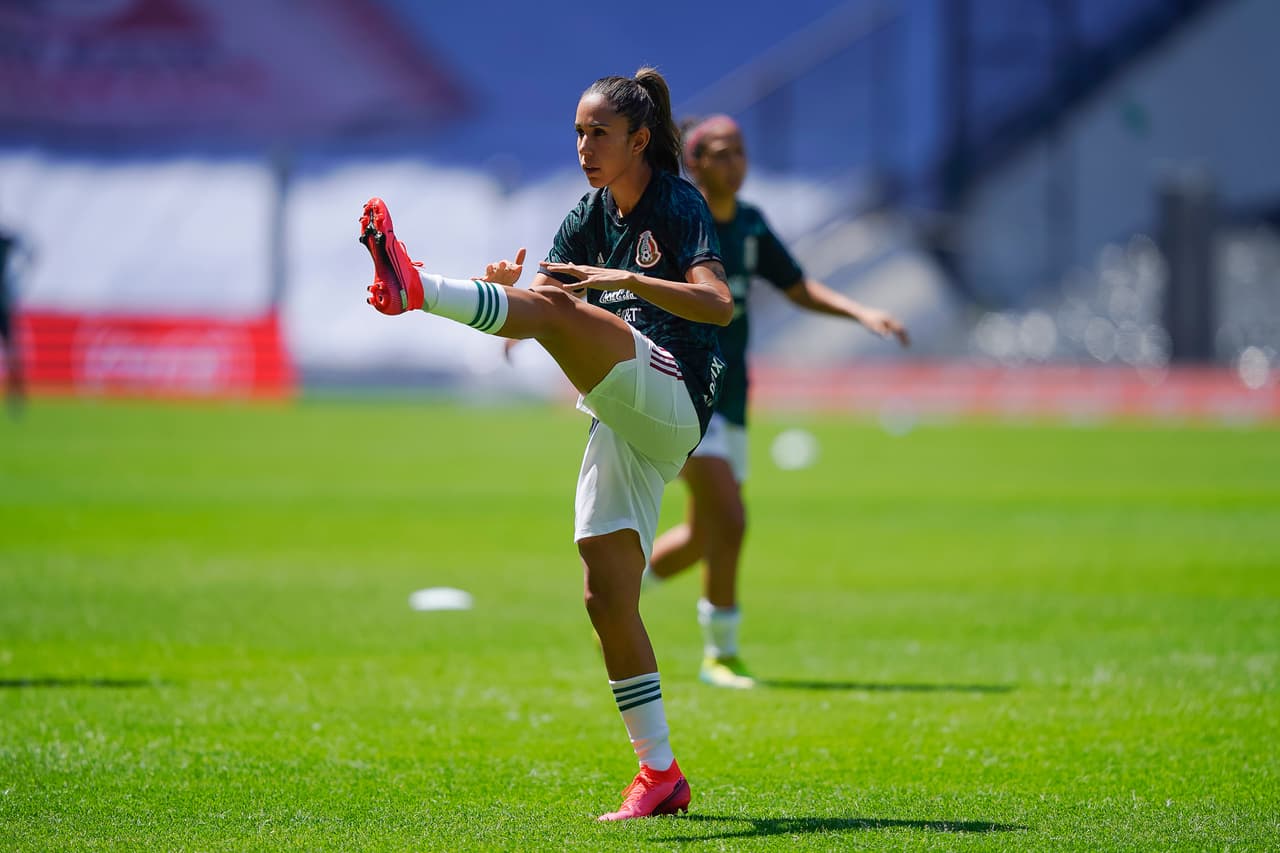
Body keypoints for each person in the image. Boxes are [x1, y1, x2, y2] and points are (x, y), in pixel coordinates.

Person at [358, 68, 731, 821]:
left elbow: (718, 305)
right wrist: (510, 299)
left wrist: (619, 279)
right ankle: (660, 773)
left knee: (558, 317)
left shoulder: (678, 202)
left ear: (640, 139)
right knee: (605, 595)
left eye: (598, 133)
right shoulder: (585, 215)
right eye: (578, 132)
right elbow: (553, 309)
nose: (584, 146)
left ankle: (415, 287)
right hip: (624, 413)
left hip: (677, 394)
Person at [645, 114, 910, 689]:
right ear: (693, 163)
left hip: (734, 394)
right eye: (719, 152)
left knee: (704, 534)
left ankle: (621, 594)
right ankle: (722, 655)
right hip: (684, 389)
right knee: (732, 521)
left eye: (739, 151)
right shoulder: (676, 224)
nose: (733, 162)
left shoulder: (751, 225)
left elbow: (798, 286)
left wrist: (862, 311)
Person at [0, 227, 25, 416]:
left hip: (4, 305)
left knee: (12, 352)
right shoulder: (7, 240)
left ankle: (17, 394)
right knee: (11, 351)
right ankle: (17, 396)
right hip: (4, 304)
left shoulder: (6, 240)